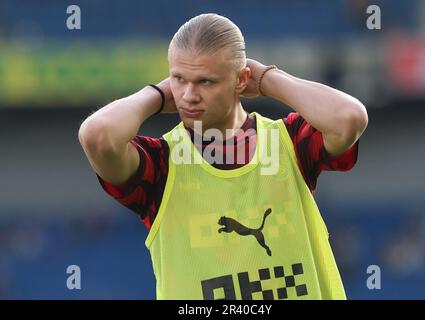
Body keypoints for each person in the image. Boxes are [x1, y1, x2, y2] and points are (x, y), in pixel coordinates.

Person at [78, 13, 368, 300]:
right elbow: (97, 136)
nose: (188, 95)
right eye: (179, 79)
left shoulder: (289, 142)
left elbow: (349, 118)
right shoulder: (161, 164)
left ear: (241, 79)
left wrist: (268, 78)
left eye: (205, 82)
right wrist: (155, 94)